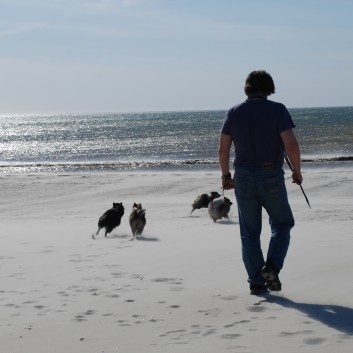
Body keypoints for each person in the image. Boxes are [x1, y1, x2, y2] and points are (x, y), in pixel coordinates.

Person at [218, 70, 302, 295]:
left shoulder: (234, 112)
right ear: (268, 88)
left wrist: (226, 176)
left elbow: (223, 148)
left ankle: (256, 282)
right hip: (270, 175)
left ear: (247, 87)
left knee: (249, 232)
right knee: (282, 224)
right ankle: (272, 267)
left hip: (243, 177)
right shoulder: (277, 110)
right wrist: (297, 172)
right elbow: (291, 145)